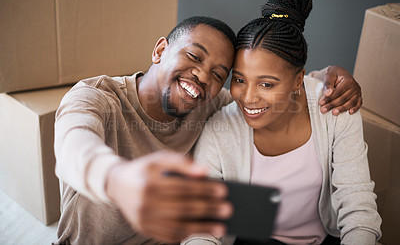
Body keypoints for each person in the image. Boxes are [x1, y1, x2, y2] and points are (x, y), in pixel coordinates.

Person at [53, 14, 363, 244]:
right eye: (193, 56)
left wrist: (331, 76)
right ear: (160, 50)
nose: (202, 76)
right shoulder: (97, 98)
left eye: (219, 74)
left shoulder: (207, 104)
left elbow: (269, 90)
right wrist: (118, 179)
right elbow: (73, 147)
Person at [182, 0, 381, 245]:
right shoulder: (221, 128)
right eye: (240, 79)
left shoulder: (335, 109)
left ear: (298, 80)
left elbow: (357, 204)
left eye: (267, 84)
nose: (248, 97)